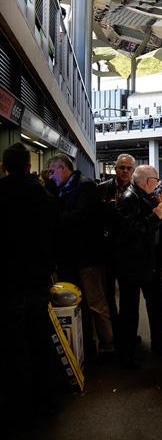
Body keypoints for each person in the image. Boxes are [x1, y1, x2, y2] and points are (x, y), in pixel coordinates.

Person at [1, 143, 60, 424]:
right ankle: (48, 399)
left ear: (4, 166)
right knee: (40, 338)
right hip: (39, 280)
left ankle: (20, 406)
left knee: (14, 345)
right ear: (28, 165)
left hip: (10, 282)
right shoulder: (45, 196)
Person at [48, 153, 114, 356]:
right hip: (70, 258)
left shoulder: (84, 187)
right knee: (78, 303)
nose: (50, 177)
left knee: (95, 303)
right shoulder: (61, 190)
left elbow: (80, 219)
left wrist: (56, 218)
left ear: (63, 168)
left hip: (88, 257)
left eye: (52, 171)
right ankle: (87, 344)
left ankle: (107, 344)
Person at [115, 165, 162, 368]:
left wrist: (161, 214)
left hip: (150, 262)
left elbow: (156, 226)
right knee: (130, 311)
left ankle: (159, 345)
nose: (158, 183)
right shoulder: (128, 198)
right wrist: (157, 215)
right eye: (156, 179)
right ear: (147, 180)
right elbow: (132, 231)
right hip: (133, 264)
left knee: (158, 305)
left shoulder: (146, 195)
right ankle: (127, 355)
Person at [98, 153, 136, 338]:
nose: (125, 171)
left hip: (129, 252)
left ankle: (127, 333)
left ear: (133, 170)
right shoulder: (102, 189)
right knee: (108, 294)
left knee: (128, 296)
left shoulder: (138, 191)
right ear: (115, 168)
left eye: (129, 168)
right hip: (106, 249)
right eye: (122, 167)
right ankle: (115, 332)